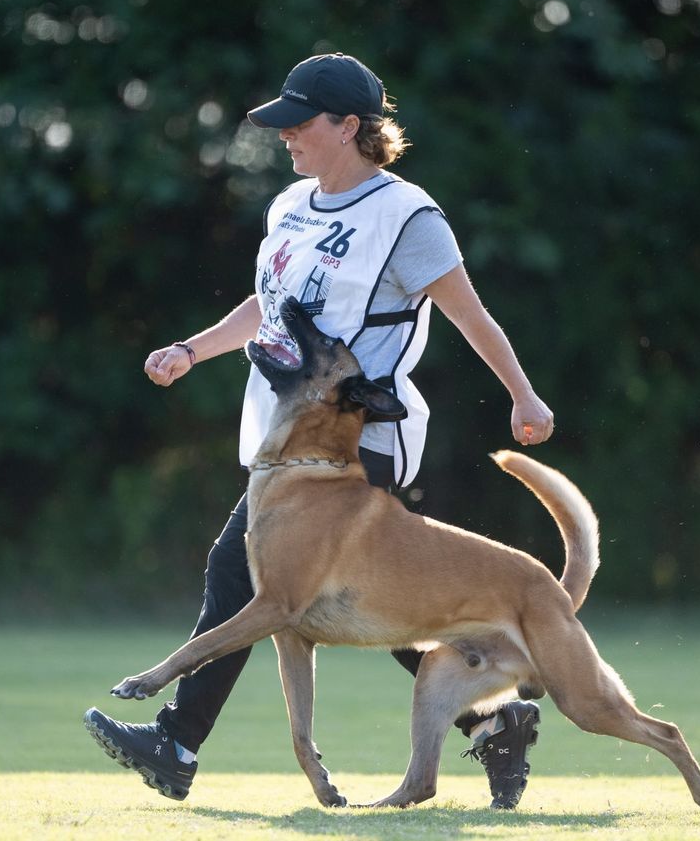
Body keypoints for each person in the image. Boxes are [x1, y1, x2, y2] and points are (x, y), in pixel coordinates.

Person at [85, 53, 555, 810]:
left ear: (350, 126)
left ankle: (176, 741)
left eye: (301, 124)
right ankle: (495, 719)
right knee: (368, 602)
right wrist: (192, 349)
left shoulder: (408, 217)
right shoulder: (291, 206)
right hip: (287, 441)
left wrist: (524, 396)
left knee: (244, 578)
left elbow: (473, 316)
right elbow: (265, 308)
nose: (287, 137)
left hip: (356, 440)